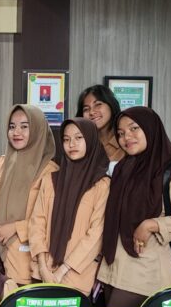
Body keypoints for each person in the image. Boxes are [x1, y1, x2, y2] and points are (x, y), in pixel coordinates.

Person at [98, 107, 171, 307]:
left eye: (134, 128)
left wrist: (152, 224)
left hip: (145, 272)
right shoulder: (122, 168)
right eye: (120, 133)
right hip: (112, 269)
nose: (126, 137)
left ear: (150, 129)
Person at [29, 118, 110, 296]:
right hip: (43, 274)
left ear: (91, 140)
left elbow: (96, 234)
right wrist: (43, 267)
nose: (72, 144)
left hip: (77, 277)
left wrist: (62, 270)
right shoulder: (50, 180)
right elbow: (37, 224)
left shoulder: (102, 185)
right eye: (66, 139)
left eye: (78, 138)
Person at [0, 105, 57, 285]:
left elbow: (52, 220)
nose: (16, 132)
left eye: (24, 126)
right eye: (12, 126)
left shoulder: (49, 171)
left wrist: (16, 227)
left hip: (27, 259)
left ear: (37, 130)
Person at [76, 84, 124, 165]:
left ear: (111, 105)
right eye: (86, 109)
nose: (91, 112)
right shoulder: (80, 144)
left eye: (98, 105)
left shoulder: (125, 140)